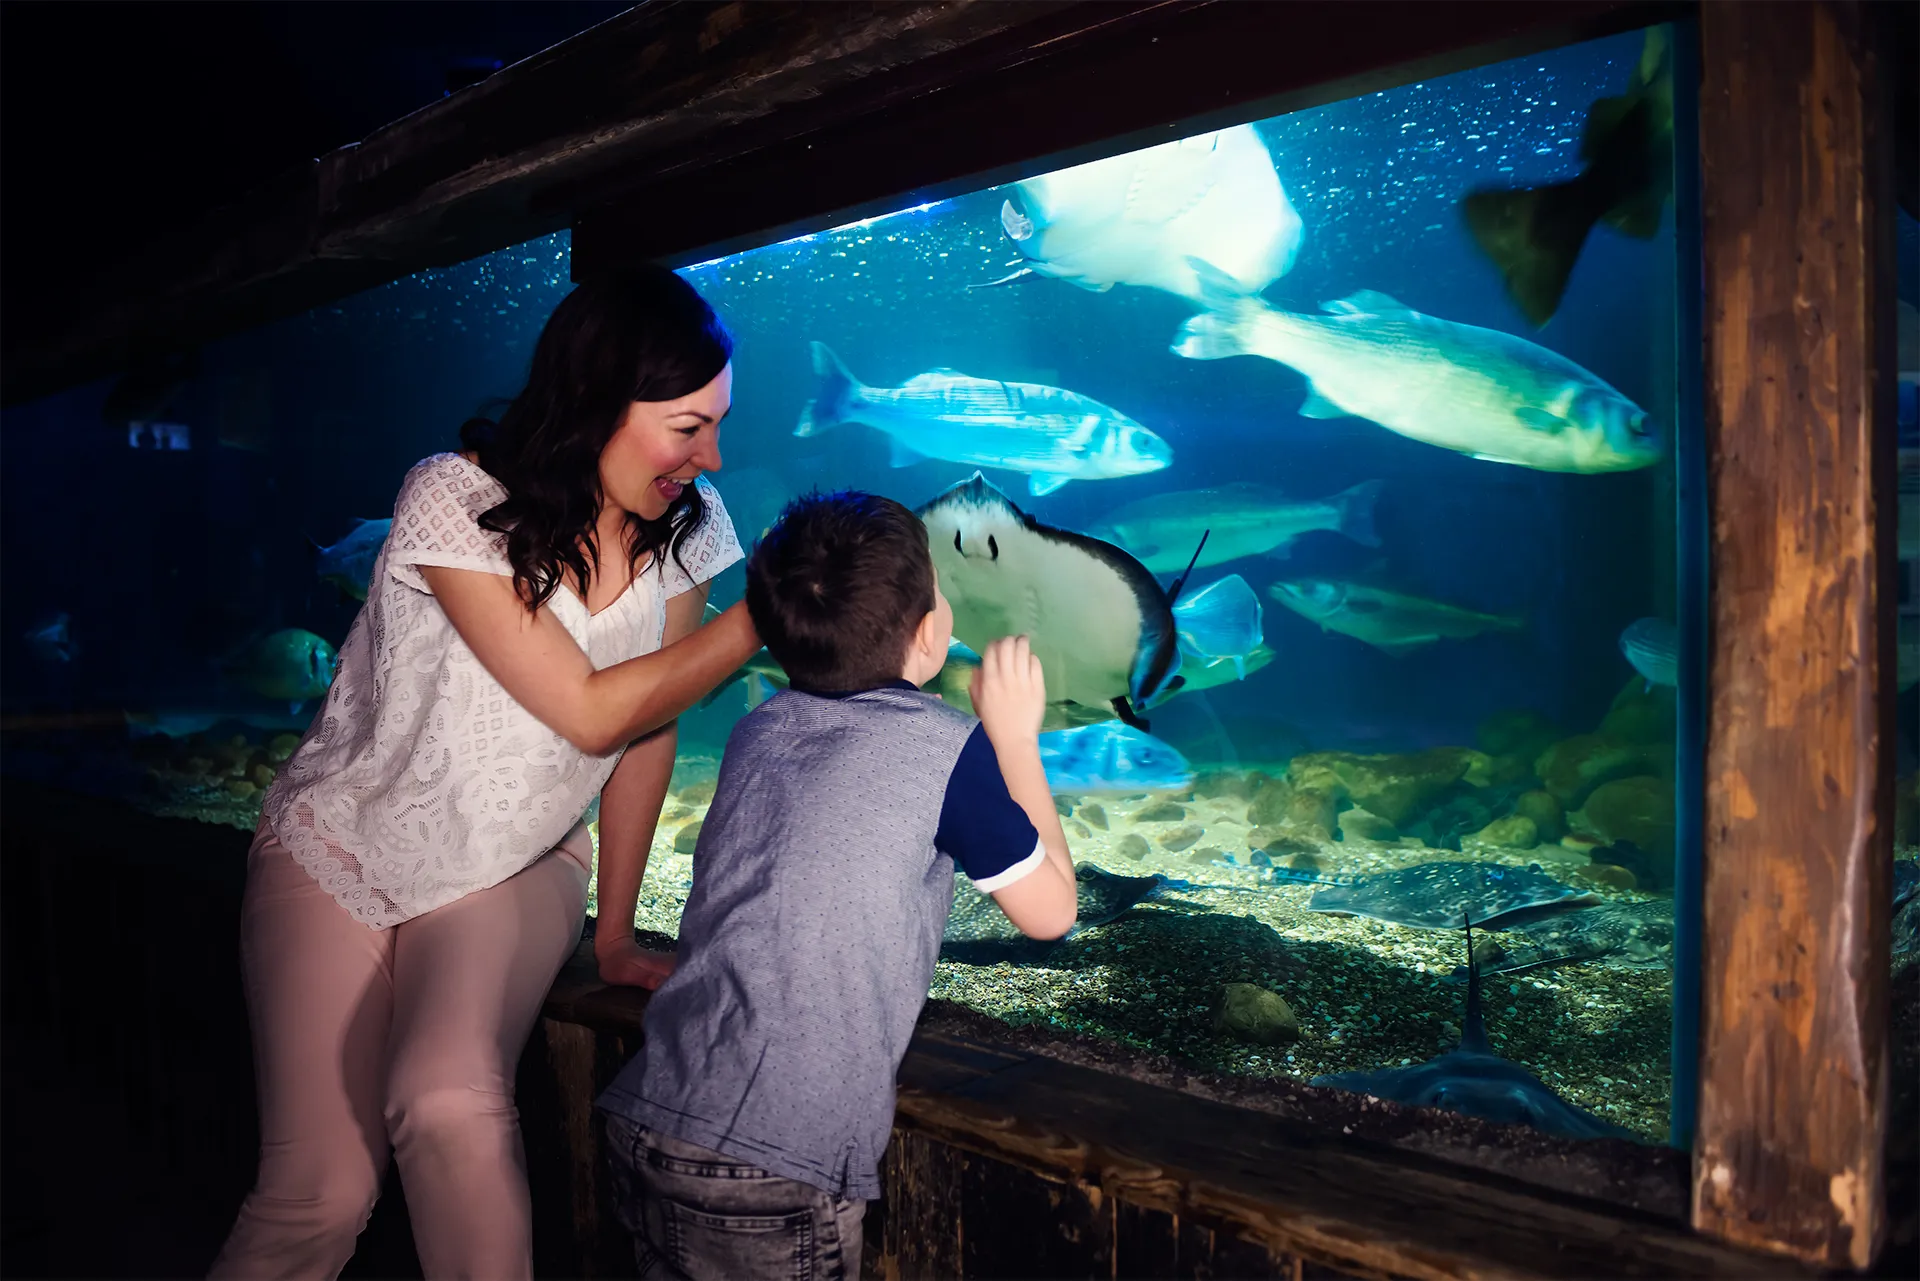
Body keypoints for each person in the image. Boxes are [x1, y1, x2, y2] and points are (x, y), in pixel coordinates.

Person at [212, 266, 761, 1280]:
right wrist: (767, 613)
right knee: (319, 1192)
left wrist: (615, 929)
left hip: (517, 860)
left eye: (717, 426)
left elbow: (644, 729)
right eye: (689, 426)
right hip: (338, 843)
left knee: (446, 1101)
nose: (711, 455)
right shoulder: (452, 497)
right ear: (599, 397)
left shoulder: (689, 527)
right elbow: (589, 707)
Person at [595, 490, 1080, 1281]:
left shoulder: (759, 729)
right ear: (931, 632)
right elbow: (1051, 912)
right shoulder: (946, 749)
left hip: (650, 1106)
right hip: (774, 1160)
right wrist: (1015, 739)